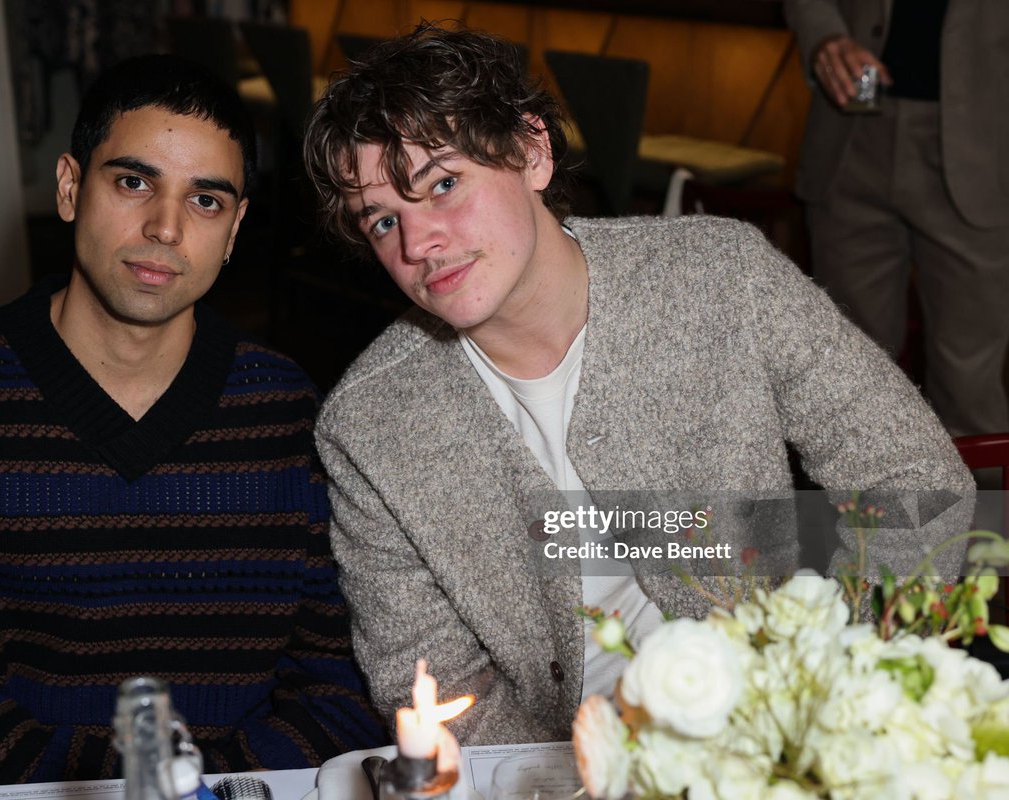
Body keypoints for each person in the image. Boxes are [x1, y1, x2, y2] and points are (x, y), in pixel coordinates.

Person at [301, 24, 973, 746]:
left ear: (531, 150)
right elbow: (429, 684)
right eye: (381, 220)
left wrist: (822, 693)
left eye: (443, 183)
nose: (417, 243)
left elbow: (914, 482)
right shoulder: (370, 423)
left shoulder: (721, 276)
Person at [0, 54, 384, 782]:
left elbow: (339, 689)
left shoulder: (291, 417)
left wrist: (208, 792)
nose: (165, 227)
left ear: (235, 228)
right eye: (134, 182)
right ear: (69, 188)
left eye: (206, 201)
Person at [784, 0, 1009, 436]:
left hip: (984, 146)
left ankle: (980, 506)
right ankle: (857, 508)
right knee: (851, 388)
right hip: (850, 135)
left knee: (969, 394)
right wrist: (824, 38)